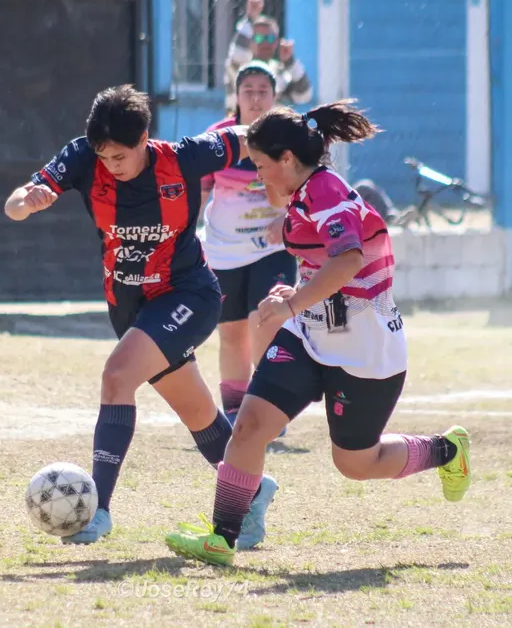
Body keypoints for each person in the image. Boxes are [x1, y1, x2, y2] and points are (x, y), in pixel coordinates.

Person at [163, 100, 472, 566]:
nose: (258, 175)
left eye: (263, 165)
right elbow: (325, 264)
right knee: (247, 427)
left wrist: (290, 302)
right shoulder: (300, 194)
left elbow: (349, 259)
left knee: (355, 463)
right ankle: (221, 539)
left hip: (365, 350)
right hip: (309, 337)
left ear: (287, 159)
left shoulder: (324, 190)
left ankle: (447, 450)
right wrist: (300, 293)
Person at [4, 85, 276, 549]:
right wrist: (26, 202)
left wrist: (305, 131)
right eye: (104, 156)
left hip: (188, 294)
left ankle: (98, 510)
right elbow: (14, 203)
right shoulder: (81, 159)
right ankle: (252, 490)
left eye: (121, 156)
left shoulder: (184, 156)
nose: (112, 164)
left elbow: (248, 135)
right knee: (197, 413)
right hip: (130, 305)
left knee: (116, 376)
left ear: (145, 139)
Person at [200, 62, 298, 438]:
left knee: (267, 322)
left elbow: (303, 190)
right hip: (223, 249)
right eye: (248, 91)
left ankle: (272, 407)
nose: (256, 98)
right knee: (232, 332)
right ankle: (236, 412)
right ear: (236, 96)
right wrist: (187, 234)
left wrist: (286, 218)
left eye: (263, 91)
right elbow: (202, 190)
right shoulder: (217, 138)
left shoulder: (291, 138)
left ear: (275, 97)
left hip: (272, 248)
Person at [223, 0, 313, 113]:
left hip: (270, 130)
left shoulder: (279, 71)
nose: (264, 43)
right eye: (259, 38)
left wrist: (290, 62)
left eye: (270, 38)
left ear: (277, 41)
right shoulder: (239, 67)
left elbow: (303, 95)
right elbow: (238, 55)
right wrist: (250, 19)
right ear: (250, 40)